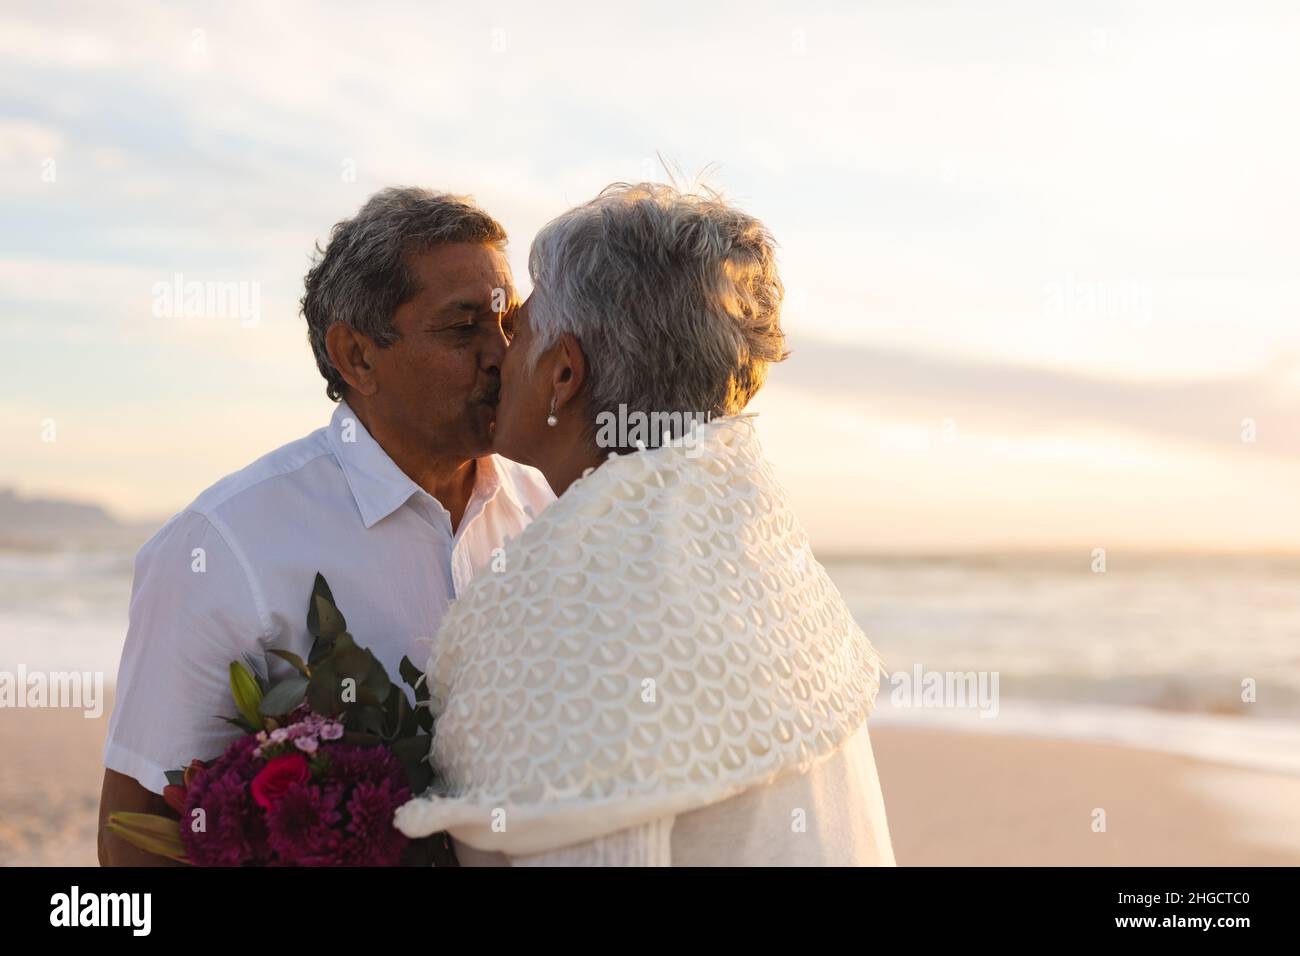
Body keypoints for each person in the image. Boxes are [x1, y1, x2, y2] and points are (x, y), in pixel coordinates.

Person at [395, 182, 895, 866]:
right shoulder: (758, 550)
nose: (497, 354)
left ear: (563, 374)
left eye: (519, 329)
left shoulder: (572, 609)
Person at [97, 188, 554, 865]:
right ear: (357, 357)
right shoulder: (222, 544)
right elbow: (135, 833)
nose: (502, 355)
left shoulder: (555, 507)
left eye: (508, 323)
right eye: (464, 329)